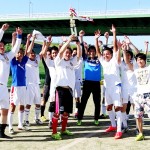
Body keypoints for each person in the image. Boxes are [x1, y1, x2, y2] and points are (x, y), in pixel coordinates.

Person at [95, 25, 123, 139]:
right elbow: (97, 52)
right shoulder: (103, 62)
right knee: (108, 107)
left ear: (111, 54)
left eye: (108, 53)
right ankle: (113, 125)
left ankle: (119, 130)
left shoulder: (115, 61)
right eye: (105, 54)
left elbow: (116, 48)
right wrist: (96, 39)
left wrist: (114, 33)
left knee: (117, 108)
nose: (106, 55)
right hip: (107, 87)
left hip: (116, 87)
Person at [51, 34, 81, 140]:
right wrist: (68, 41)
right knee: (57, 112)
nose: (67, 54)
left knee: (66, 112)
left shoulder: (72, 62)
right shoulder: (59, 61)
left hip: (69, 90)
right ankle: (54, 132)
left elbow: (78, 56)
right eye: (66, 52)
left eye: (69, 53)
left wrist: (78, 44)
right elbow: (60, 52)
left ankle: (63, 130)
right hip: (60, 91)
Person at [0, 24, 22, 138]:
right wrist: (2, 30)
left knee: (5, 109)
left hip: (4, 87)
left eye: (3, 46)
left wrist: (19, 36)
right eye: (0, 45)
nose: (2, 47)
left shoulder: (7, 56)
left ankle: (1, 133)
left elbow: (15, 49)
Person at [77, 30, 101, 126]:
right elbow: (82, 47)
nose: (91, 53)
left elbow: (100, 51)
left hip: (96, 83)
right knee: (83, 102)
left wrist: (96, 40)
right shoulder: (85, 59)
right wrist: (81, 37)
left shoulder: (99, 60)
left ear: (95, 52)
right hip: (87, 83)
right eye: (90, 51)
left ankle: (96, 119)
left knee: (97, 102)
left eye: (93, 51)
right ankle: (79, 118)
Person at [8, 31, 30, 134]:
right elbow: (13, 48)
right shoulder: (13, 61)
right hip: (15, 87)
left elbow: (27, 52)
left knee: (22, 105)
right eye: (18, 53)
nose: (19, 54)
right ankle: (10, 126)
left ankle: (20, 124)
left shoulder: (24, 61)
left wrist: (29, 40)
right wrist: (14, 37)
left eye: (21, 53)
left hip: (23, 87)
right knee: (13, 106)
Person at [24, 34, 45, 126]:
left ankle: (36, 118)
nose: (32, 54)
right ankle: (26, 120)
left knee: (38, 103)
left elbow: (43, 52)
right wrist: (30, 40)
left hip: (37, 84)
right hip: (29, 85)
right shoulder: (26, 60)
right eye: (31, 53)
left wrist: (45, 41)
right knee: (28, 104)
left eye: (33, 53)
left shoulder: (36, 59)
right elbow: (26, 51)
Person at [120, 36, 139, 133]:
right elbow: (121, 58)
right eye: (124, 55)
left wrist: (130, 43)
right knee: (123, 107)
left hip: (134, 89)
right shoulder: (121, 64)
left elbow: (138, 53)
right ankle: (125, 125)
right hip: (124, 89)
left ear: (131, 56)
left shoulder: (135, 63)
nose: (126, 57)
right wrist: (121, 48)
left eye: (128, 55)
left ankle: (137, 127)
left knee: (135, 108)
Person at [133, 53, 150, 141]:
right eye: (138, 60)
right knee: (138, 116)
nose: (139, 61)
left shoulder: (148, 68)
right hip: (138, 96)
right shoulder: (135, 70)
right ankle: (140, 133)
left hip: (148, 96)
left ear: (145, 60)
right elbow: (127, 61)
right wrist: (124, 50)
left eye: (141, 59)